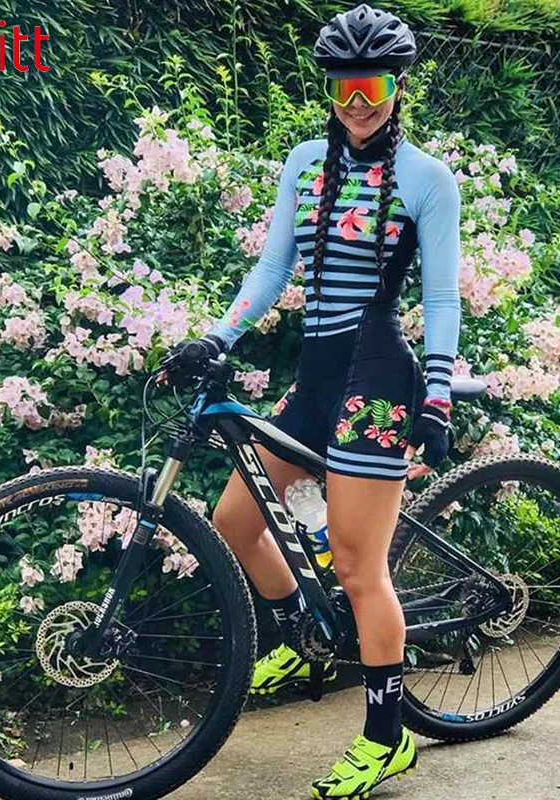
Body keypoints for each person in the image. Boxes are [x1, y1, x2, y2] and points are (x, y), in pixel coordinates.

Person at [169, 4, 461, 797]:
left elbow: (441, 298)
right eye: (343, 86)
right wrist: (218, 337)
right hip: (318, 377)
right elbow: (271, 272)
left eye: (373, 86)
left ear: (398, 87)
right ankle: (306, 638)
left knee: (361, 566)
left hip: (380, 381)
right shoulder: (304, 164)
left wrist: (436, 396)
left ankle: (387, 737)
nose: (358, 102)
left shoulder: (427, 180)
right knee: (236, 520)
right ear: (328, 89)